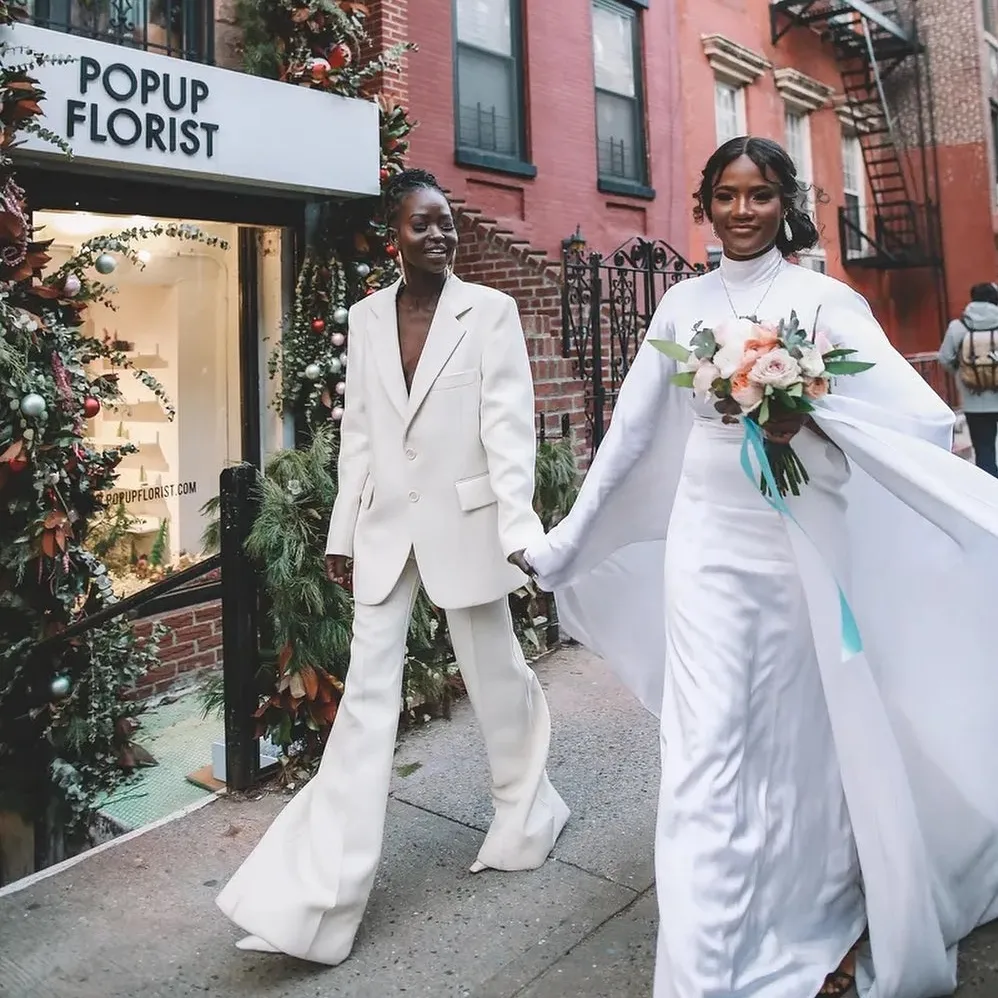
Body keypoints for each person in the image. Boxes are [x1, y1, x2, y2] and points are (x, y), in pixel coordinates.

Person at [525, 136, 998, 998]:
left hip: (793, 547)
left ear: (786, 204)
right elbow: (630, 434)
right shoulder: (679, 306)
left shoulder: (824, 301)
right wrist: (568, 539)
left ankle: (808, 907)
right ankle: (702, 966)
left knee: (795, 742)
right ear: (704, 203)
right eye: (728, 195)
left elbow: (919, 420)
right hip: (705, 546)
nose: (744, 211)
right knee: (705, 746)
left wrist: (808, 422)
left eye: (762, 195)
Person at [217, 168, 569, 965]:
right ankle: (318, 904)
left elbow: (510, 432)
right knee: (366, 702)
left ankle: (528, 811)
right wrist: (343, 532)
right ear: (393, 236)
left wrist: (520, 528)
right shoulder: (369, 316)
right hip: (385, 530)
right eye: (423, 223)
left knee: (498, 678)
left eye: (447, 221)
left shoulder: (492, 312)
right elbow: (363, 436)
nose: (440, 233)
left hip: (473, 527)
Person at [939, 282, 998, 476]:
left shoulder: (958, 327)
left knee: (984, 451)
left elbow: (945, 358)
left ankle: (990, 496)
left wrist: (963, 374)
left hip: (974, 401)